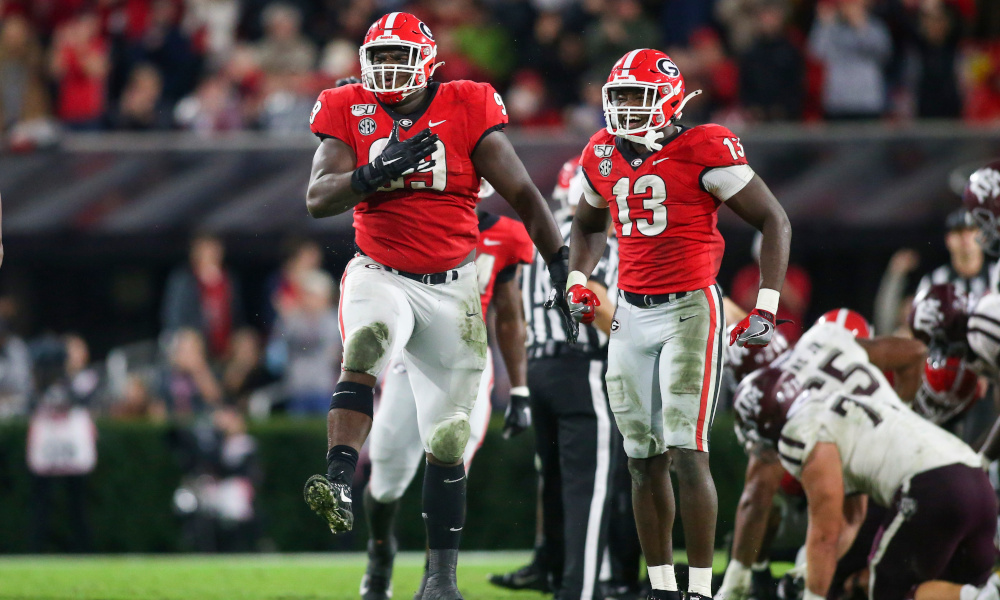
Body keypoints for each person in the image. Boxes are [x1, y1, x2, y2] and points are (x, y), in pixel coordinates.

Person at [301, 13, 569, 599]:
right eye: (381, 59)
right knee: (367, 338)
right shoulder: (347, 105)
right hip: (380, 270)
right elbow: (318, 197)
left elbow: (523, 191)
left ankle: (441, 581)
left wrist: (558, 262)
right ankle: (341, 477)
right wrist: (371, 174)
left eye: (402, 58)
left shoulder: (468, 104)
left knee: (448, 440)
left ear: (428, 63)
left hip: (454, 290)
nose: (390, 71)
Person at [566, 48, 791, 600]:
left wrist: (764, 305)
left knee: (687, 452)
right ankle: (663, 587)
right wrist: (578, 275)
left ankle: (699, 587)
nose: (622, 108)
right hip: (628, 311)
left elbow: (773, 218)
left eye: (634, 96)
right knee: (641, 460)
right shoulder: (601, 152)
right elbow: (588, 225)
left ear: (667, 99)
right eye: (616, 96)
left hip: (691, 307)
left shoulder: (704, 145)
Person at [361, 199, 535, 600]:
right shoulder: (418, 215)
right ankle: (380, 554)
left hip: (467, 358)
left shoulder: (506, 234)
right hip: (413, 355)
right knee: (386, 476)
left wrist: (520, 389)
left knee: (451, 467)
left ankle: (435, 578)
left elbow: (509, 315)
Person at [731, 366, 999, 600]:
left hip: (932, 486)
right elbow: (852, 518)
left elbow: (825, 533)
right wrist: (808, 572)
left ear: (765, 419)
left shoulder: (801, 431)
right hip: (977, 480)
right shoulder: (836, 404)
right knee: (956, 588)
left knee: (888, 592)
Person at [717, 310, 927, 600]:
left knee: (772, 496)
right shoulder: (857, 363)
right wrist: (902, 409)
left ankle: (761, 578)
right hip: (851, 460)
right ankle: (796, 575)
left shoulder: (798, 365)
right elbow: (916, 352)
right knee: (851, 528)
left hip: (820, 454)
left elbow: (756, 494)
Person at [492, 158, 621, 600]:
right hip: (581, 366)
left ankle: (554, 575)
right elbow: (599, 302)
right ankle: (582, 588)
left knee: (557, 488)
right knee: (593, 489)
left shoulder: (534, 236)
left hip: (535, 369)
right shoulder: (590, 238)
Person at [161, 233, 245, 360]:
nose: (211, 254)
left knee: (247, 342)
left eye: (215, 249)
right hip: (194, 341)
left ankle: (232, 379)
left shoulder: (229, 279)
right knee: (191, 343)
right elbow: (172, 317)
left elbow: (237, 317)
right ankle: (209, 380)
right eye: (207, 249)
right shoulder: (183, 279)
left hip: (224, 341)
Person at [916, 209, 994, 301]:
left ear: (983, 238)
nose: (965, 237)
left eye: (971, 230)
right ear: (948, 240)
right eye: (959, 231)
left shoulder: (996, 275)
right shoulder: (932, 282)